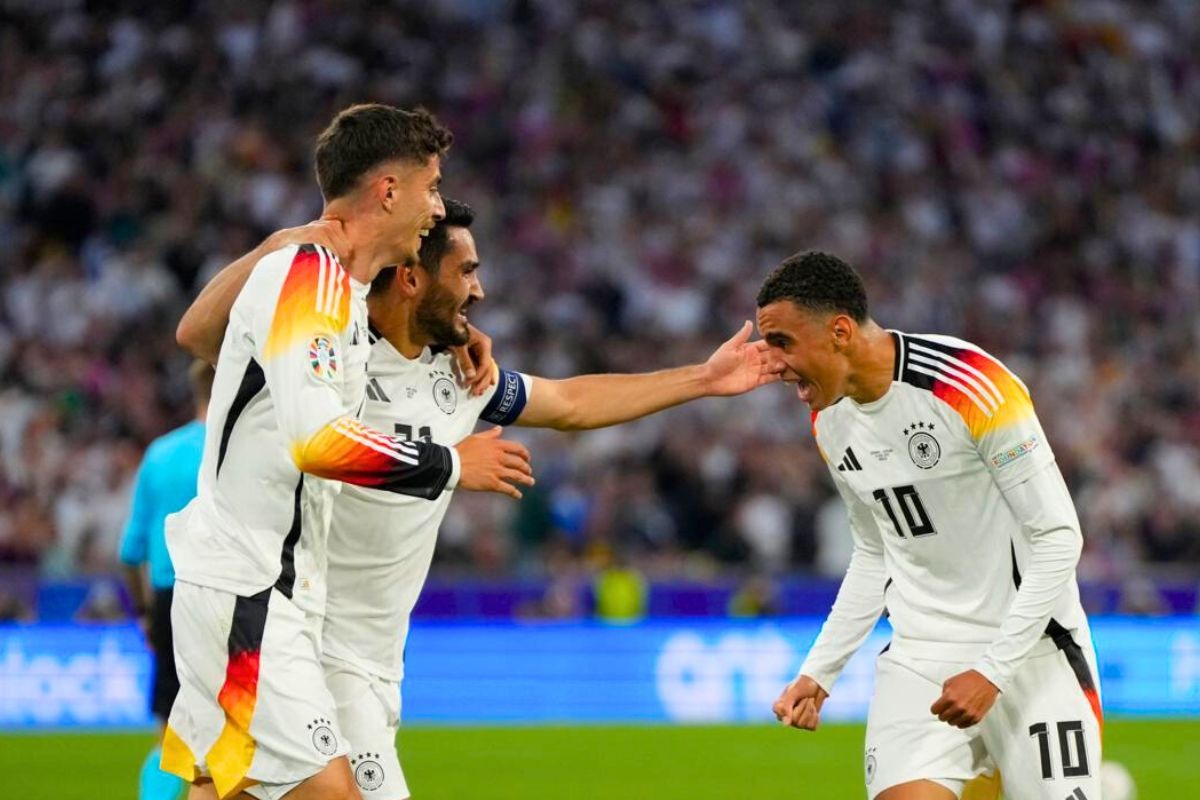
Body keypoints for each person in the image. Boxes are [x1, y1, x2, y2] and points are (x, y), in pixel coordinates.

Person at [183, 197, 783, 799]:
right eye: (466, 271)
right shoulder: (330, 349)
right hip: (299, 636)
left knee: (223, 787)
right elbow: (205, 341)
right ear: (414, 277)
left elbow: (570, 403)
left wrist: (701, 380)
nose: (481, 290)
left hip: (363, 654)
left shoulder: (462, 376)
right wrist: (289, 242)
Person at [161, 105, 533, 800]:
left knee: (228, 789)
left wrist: (459, 335)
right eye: (431, 187)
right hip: (249, 587)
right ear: (388, 191)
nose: (436, 208)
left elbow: (201, 335)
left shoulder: (338, 290)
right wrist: (453, 464)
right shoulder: (311, 277)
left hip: (258, 587)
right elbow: (314, 441)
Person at [762, 252, 1101, 800]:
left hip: (1031, 652)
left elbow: (1060, 536)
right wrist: (820, 670)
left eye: (782, 342)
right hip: (919, 659)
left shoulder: (969, 384)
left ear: (840, 332)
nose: (772, 363)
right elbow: (876, 552)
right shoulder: (830, 421)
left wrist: (991, 670)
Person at [119, 359, 212, 800]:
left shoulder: (160, 454)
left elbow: (129, 551)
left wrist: (144, 613)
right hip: (230, 598)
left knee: (169, 733)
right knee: (237, 731)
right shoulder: (237, 449)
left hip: (168, 598)